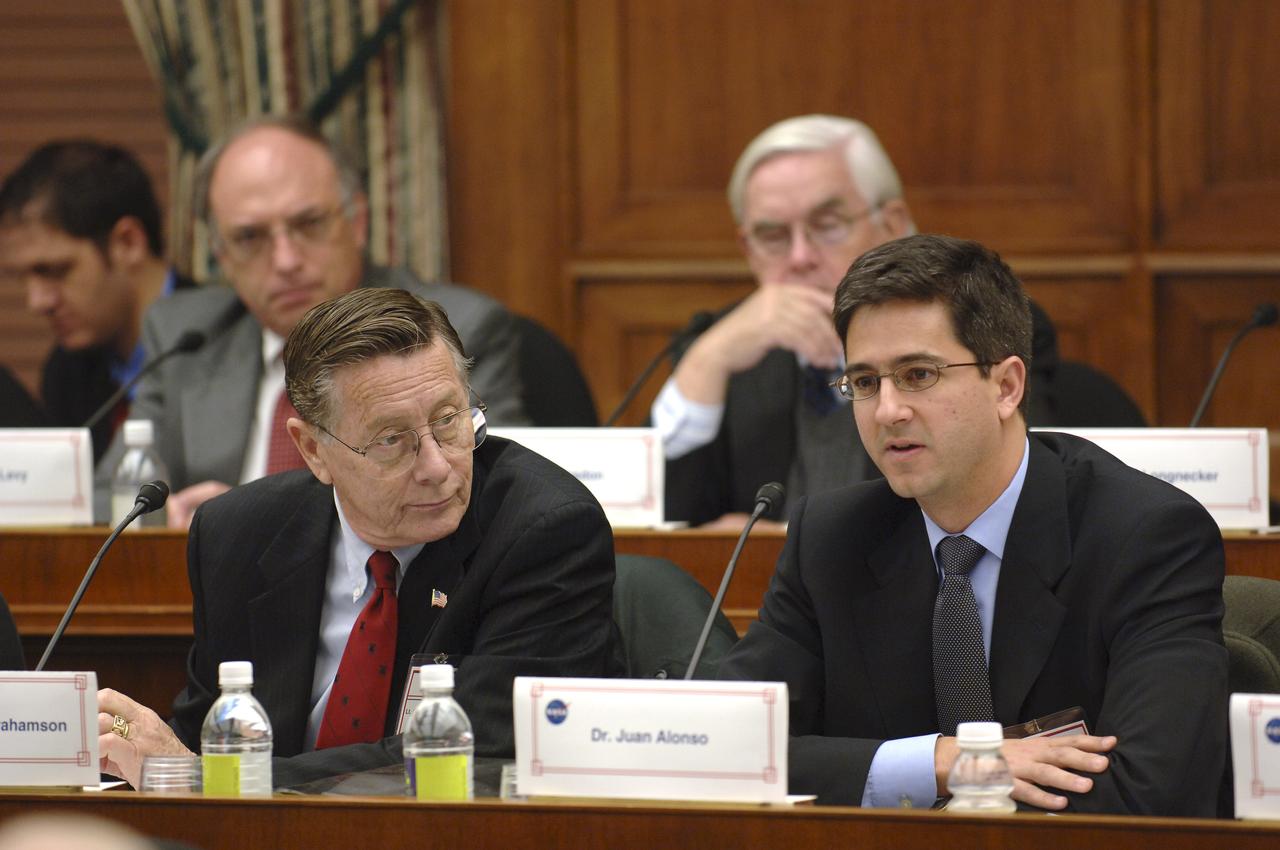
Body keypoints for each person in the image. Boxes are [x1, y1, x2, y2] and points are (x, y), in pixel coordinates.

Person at [718, 234, 1227, 815]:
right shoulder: (832, 538)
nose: (888, 410)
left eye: (918, 375)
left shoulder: (1145, 536)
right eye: (864, 382)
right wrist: (946, 763)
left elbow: (1155, 791)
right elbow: (725, 746)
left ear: (1007, 386)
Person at [96, 288, 617, 789]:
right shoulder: (239, 534)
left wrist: (209, 781)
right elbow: (204, 737)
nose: (438, 467)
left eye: (449, 420)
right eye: (392, 440)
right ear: (313, 451)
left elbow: (474, 757)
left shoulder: (542, 531)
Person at [653, 115, 1138, 528]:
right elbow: (658, 530)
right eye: (773, 235)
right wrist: (705, 362)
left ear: (891, 224)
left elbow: (1010, 501)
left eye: (826, 225)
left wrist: (793, 547)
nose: (799, 257)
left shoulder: (974, 324)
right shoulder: (723, 347)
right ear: (747, 250)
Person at [112, 115, 528, 529]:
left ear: (358, 222)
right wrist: (179, 519)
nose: (286, 261)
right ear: (221, 255)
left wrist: (251, 521)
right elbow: (109, 494)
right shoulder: (185, 336)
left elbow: (496, 489)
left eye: (308, 224)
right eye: (250, 238)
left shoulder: (445, 332)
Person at [0, 141, 191, 461]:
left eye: (53, 270)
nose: (37, 302)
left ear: (128, 243)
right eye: (23, 278)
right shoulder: (65, 370)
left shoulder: (223, 338)